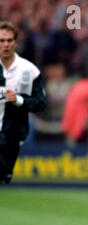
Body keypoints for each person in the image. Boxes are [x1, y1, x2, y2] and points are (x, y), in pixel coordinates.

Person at [0, 21, 46, 184]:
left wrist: (18, 100)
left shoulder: (28, 70)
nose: (5, 44)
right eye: (2, 40)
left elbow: (40, 102)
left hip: (12, 133)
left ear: (15, 42)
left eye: (9, 40)